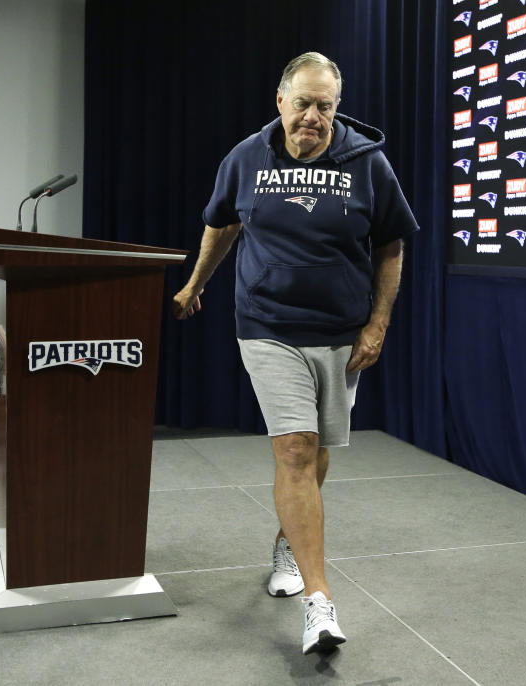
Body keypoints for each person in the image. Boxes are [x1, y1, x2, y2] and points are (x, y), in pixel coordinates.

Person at [172, 52, 419, 655]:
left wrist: (378, 323)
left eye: (325, 106)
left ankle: (288, 540)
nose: (313, 116)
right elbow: (223, 223)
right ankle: (320, 602)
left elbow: (390, 245)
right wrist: (196, 283)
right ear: (280, 101)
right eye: (303, 103)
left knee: (318, 452)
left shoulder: (367, 163)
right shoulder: (247, 157)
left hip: (340, 332)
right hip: (267, 325)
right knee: (296, 446)